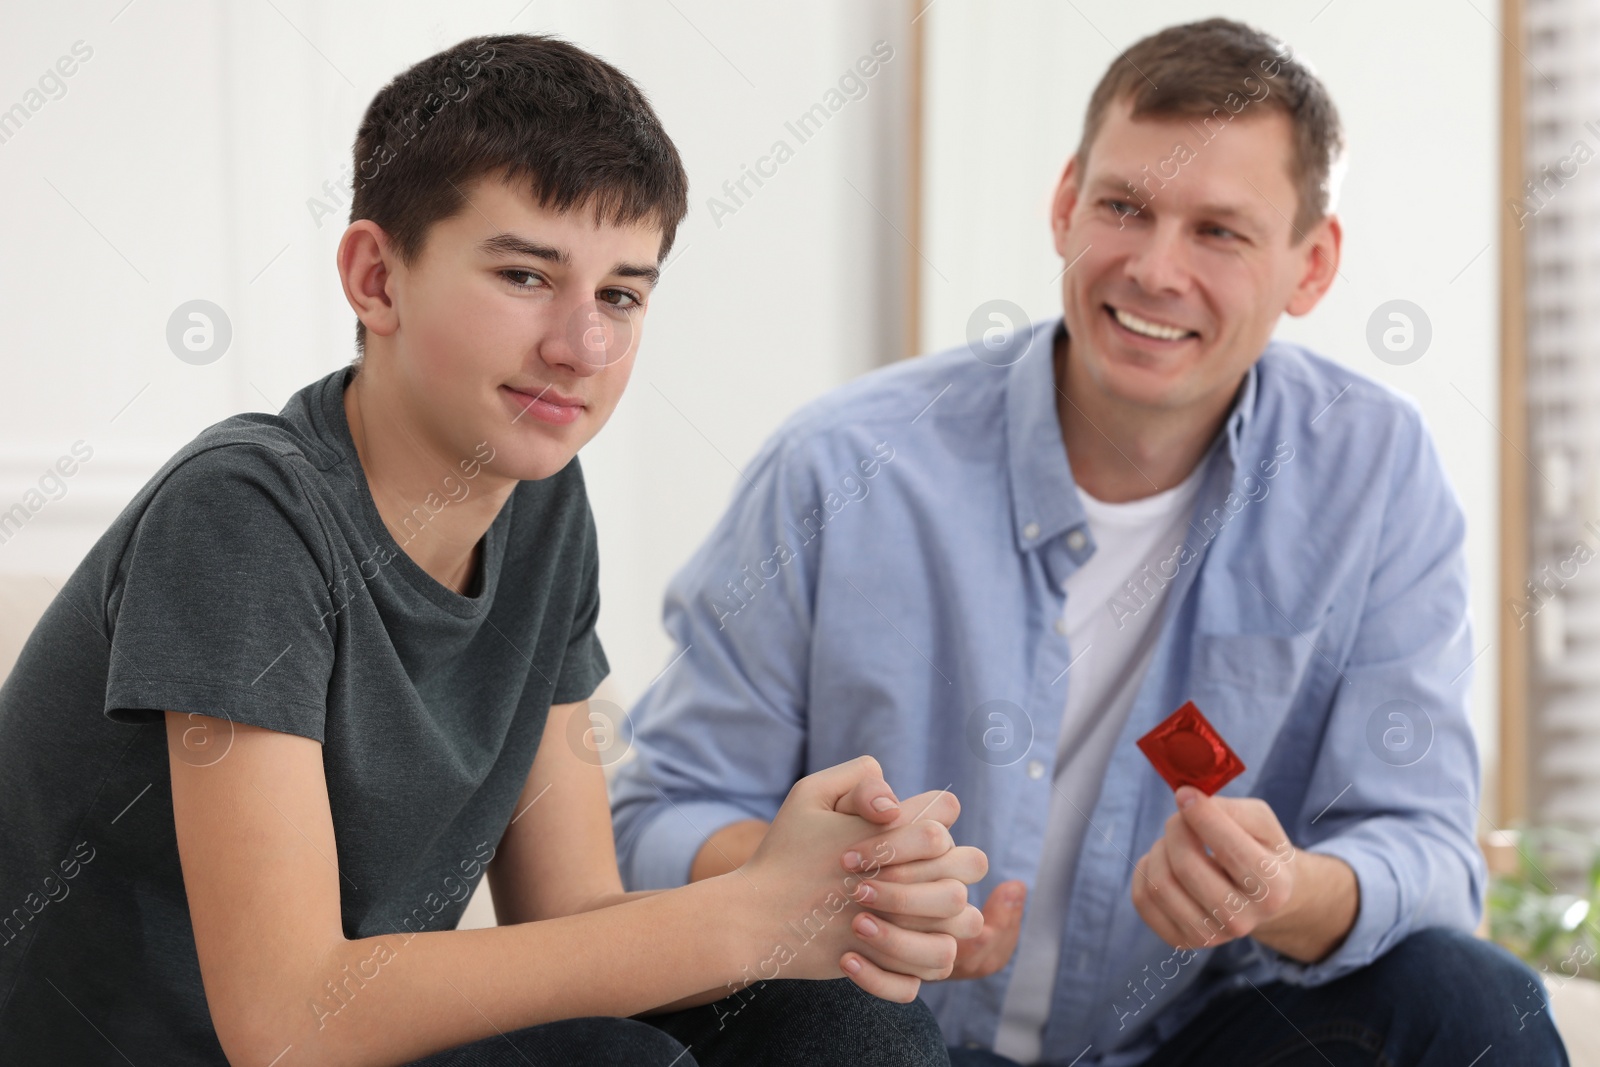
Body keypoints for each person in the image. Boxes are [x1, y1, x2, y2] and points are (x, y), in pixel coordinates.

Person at [0, 34, 990, 1066]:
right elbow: (288, 1021)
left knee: (849, 1016)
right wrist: (745, 912)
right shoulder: (241, 512)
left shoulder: (542, 503)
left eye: (620, 294)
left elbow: (569, 911)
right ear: (376, 278)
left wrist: (830, 903)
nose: (583, 346)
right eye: (527, 275)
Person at [610, 18, 1569, 1067]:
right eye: (1124, 207)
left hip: (1198, 1035)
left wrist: (1286, 892)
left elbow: (1428, 850)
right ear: (1066, 206)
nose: (1155, 269)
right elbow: (654, 817)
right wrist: (839, 886)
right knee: (841, 1023)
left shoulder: (1374, 471)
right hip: (903, 1032)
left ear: (1312, 264)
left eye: (1219, 231)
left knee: (1479, 999)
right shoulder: (841, 464)